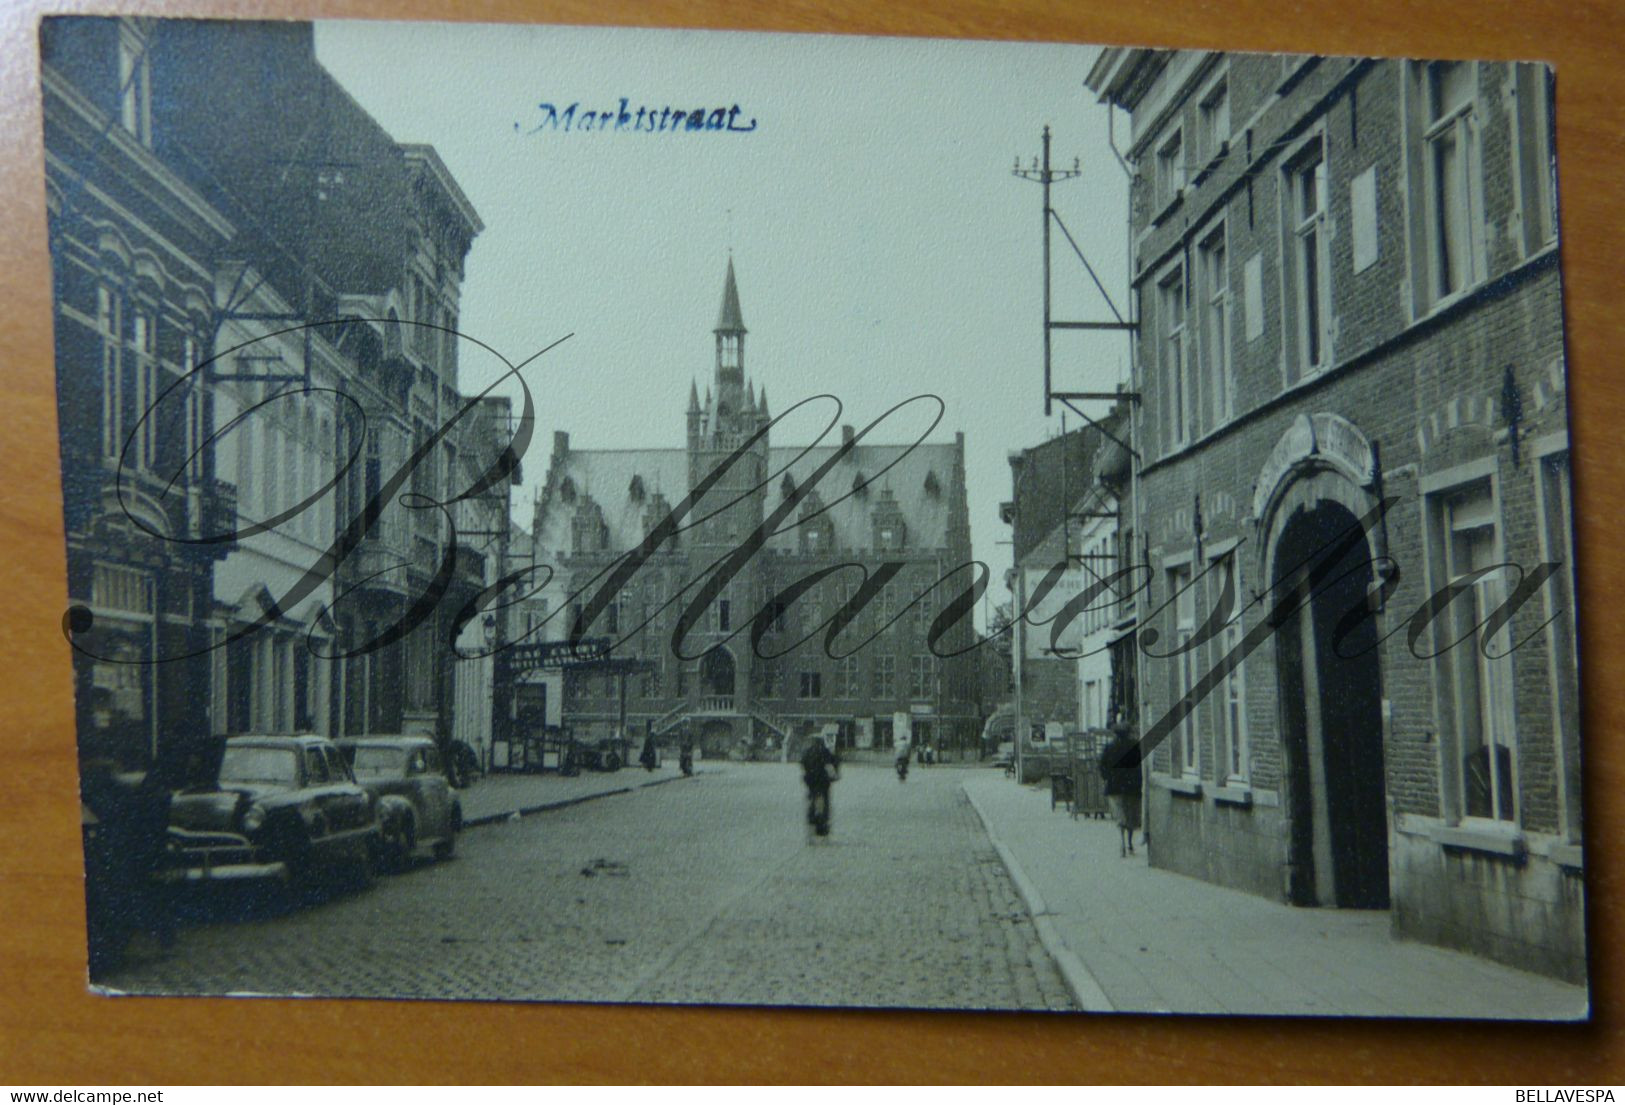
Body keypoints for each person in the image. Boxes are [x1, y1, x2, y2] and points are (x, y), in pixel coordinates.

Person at [1099, 722, 1144, 858]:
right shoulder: (1136, 746)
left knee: (1120, 817)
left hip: (1114, 788)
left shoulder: (1109, 747)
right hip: (1132, 788)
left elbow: (1102, 766)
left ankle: (1122, 844)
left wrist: (1108, 777)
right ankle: (1130, 844)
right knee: (1131, 816)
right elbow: (1141, 766)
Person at [799, 732, 841, 839]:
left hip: (811, 781)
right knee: (824, 803)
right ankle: (822, 828)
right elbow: (835, 760)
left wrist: (807, 772)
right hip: (822, 781)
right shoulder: (824, 751)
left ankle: (811, 826)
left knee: (813, 802)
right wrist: (835, 774)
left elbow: (802, 763)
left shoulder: (807, 752)